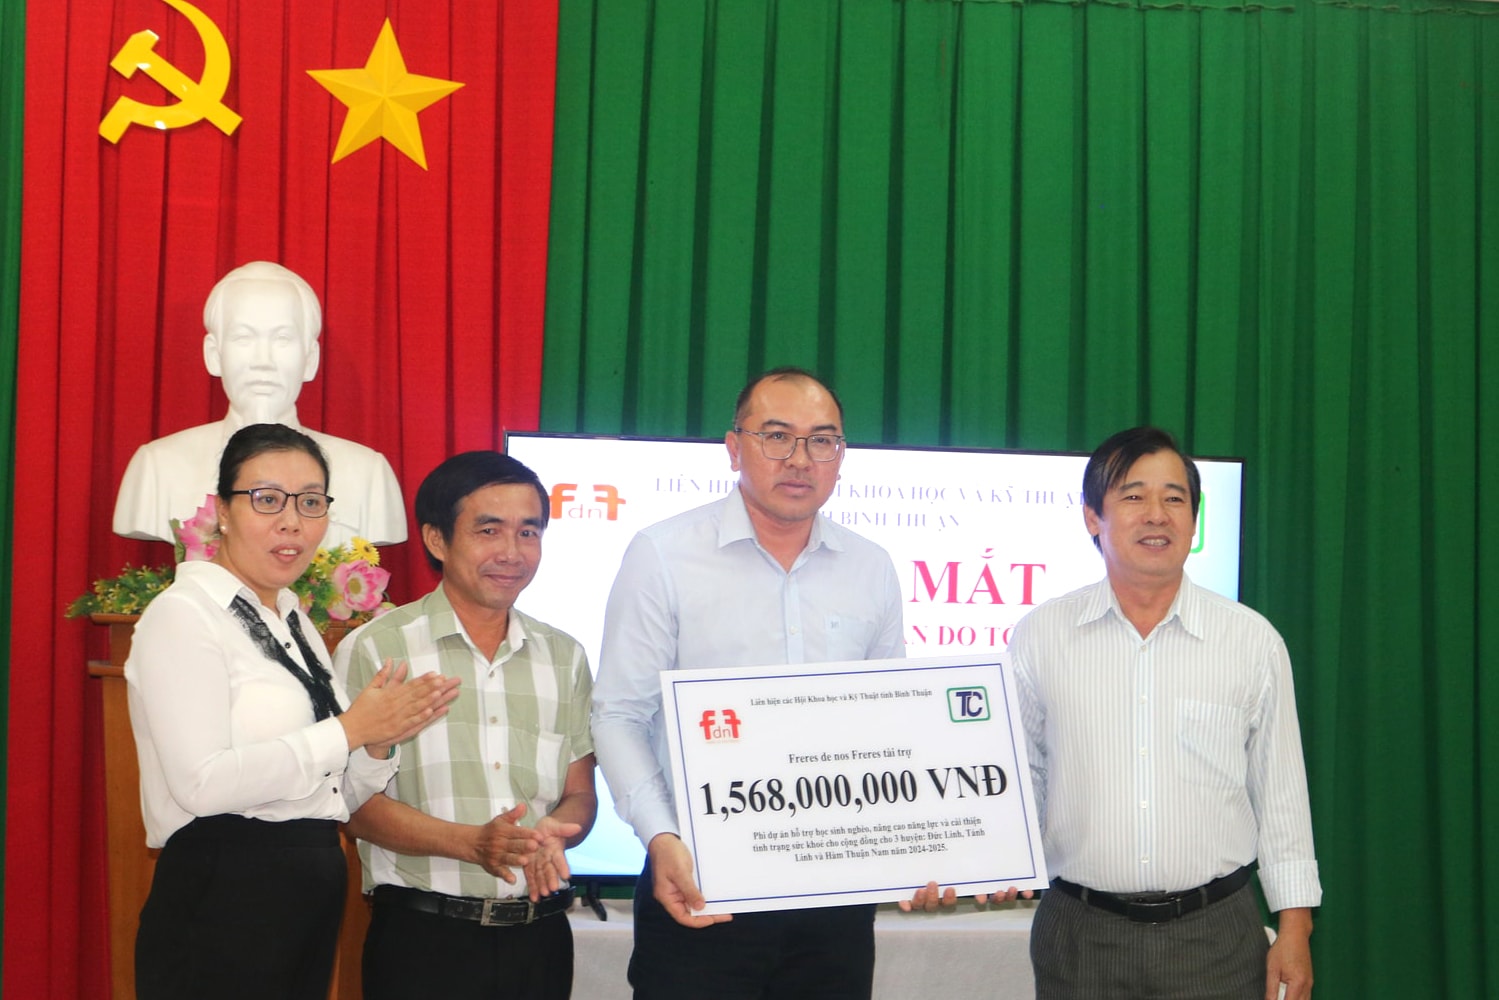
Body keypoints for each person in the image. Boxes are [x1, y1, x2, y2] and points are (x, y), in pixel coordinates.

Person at [591, 366, 907, 999]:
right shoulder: (663, 555)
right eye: (777, 436)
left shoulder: (871, 567)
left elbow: (889, 721)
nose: (801, 459)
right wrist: (662, 837)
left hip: (834, 894)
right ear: (734, 447)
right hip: (702, 881)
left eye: (822, 440)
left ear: (842, 456)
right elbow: (619, 715)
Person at [125, 423, 459, 1000]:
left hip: (307, 885)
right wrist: (349, 729)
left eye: (310, 502)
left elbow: (334, 795)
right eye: (266, 499)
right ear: (222, 511)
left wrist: (377, 740)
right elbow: (200, 784)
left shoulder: (293, 618)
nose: (291, 521)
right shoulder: (183, 614)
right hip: (222, 890)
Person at [1010, 426, 1321, 1000]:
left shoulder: (1251, 642)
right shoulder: (1039, 637)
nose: (1157, 514)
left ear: (1194, 519)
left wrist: (1295, 929)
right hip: (1080, 936)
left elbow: (1282, 798)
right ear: (1092, 517)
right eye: (1133, 495)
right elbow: (1020, 778)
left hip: (1216, 938)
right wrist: (977, 860)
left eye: (1174, 498)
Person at [334, 451, 597, 1000]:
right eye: (488, 530)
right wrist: (473, 844)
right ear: (436, 539)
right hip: (424, 941)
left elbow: (579, 792)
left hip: (541, 937)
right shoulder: (379, 650)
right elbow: (352, 806)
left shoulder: (564, 656)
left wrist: (557, 829)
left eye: (529, 532)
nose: (512, 552)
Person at [113, 261, 406, 547]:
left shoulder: (368, 475)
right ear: (213, 354)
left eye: (282, 339)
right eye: (243, 338)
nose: (263, 361)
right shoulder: (157, 468)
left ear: (310, 359)